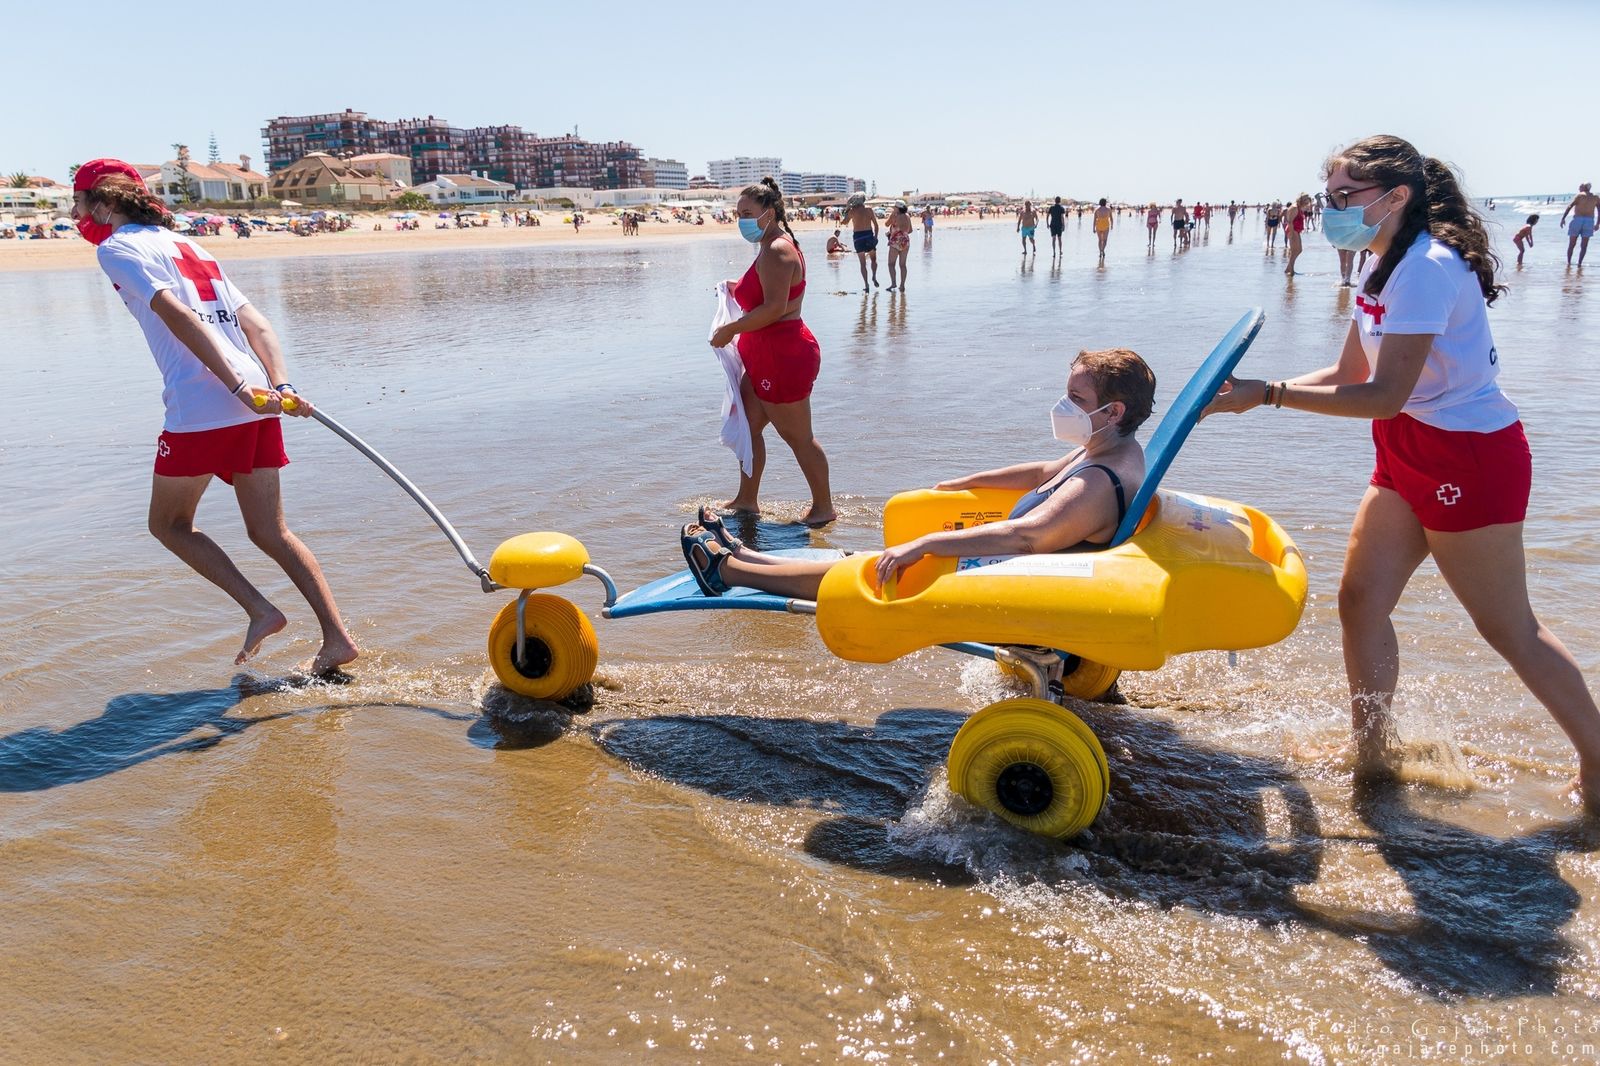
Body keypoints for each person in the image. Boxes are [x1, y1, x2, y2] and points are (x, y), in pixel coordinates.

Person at [1204, 134, 1600, 812]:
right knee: (1359, 602)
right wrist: (1245, 393)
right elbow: (1347, 376)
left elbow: (1382, 392)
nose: (1332, 209)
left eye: (1343, 198)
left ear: (1396, 197)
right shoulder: (1376, 264)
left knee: (1508, 627)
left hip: (1468, 456)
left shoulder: (1427, 267)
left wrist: (1267, 393)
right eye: (1327, 197)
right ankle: (1374, 752)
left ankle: (1598, 763)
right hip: (1406, 444)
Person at [70, 159, 358, 675]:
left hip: (205, 404)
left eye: (80, 200)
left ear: (106, 205)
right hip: (257, 397)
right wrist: (278, 385)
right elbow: (257, 324)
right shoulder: (192, 245)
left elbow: (175, 314)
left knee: (169, 524)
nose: (75, 211)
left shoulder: (116, 248)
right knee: (271, 531)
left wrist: (234, 387)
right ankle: (337, 638)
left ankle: (261, 609)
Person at [680, 348, 1155, 600]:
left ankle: (729, 569)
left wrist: (925, 544)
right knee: (869, 555)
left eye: (1077, 400)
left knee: (870, 569)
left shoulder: (1098, 481)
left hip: (1016, 575)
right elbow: (1044, 471)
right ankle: (747, 556)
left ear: (1114, 411)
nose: (1064, 406)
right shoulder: (1110, 449)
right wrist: (967, 482)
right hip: (1017, 565)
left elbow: (1029, 536)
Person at [709, 178, 835, 526]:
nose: (741, 221)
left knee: (799, 438)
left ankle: (823, 508)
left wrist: (730, 329)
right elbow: (766, 294)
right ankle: (747, 500)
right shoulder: (769, 246)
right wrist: (737, 288)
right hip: (765, 355)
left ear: (769, 212)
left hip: (783, 357)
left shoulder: (778, 250)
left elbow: (775, 308)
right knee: (748, 427)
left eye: (747, 213)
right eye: (738, 214)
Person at [843, 194, 880, 290]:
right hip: (868, 236)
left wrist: (846, 211)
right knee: (873, 260)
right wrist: (875, 237)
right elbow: (876, 225)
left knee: (862, 264)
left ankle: (866, 284)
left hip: (858, 237)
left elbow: (844, 222)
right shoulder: (869, 210)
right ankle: (874, 276)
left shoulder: (852, 211)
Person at [1558, 182, 1596, 267]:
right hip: (1589, 221)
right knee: (1584, 245)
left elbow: (1569, 206)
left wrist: (1563, 218)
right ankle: (1579, 263)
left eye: (1580, 187)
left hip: (1578, 219)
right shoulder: (1595, 197)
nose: (1579, 188)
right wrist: (1598, 224)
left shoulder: (1579, 195)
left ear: (1584, 188)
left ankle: (1569, 262)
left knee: (1572, 243)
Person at [884, 200, 913, 290]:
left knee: (891, 264)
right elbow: (910, 230)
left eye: (894, 207)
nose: (893, 208)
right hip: (905, 241)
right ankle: (902, 285)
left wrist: (894, 231)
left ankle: (893, 283)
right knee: (903, 265)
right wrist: (902, 232)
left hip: (896, 241)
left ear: (897, 208)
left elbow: (886, 224)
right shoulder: (907, 216)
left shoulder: (895, 215)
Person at [1284, 193, 1311, 276]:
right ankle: (1290, 270)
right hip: (1293, 230)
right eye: (1306, 201)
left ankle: (1289, 268)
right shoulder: (1295, 207)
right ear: (1302, 200)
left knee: (1298, 250)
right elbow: (1289, 221)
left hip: (1296, 230)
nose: (1307, 203)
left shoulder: (1299, 207)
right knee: (1295, 250)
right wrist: (1291, 233)